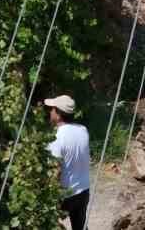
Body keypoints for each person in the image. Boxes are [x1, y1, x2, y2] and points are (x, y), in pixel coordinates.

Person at [43, 95, 91, 230]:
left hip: (66, 195)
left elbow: (55, 170)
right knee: (80, 226)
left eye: (52, 109)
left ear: (58, 115)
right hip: (84, 189)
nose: (50, 111)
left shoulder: (57, 138)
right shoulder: (83, 130)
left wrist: (48, 196)